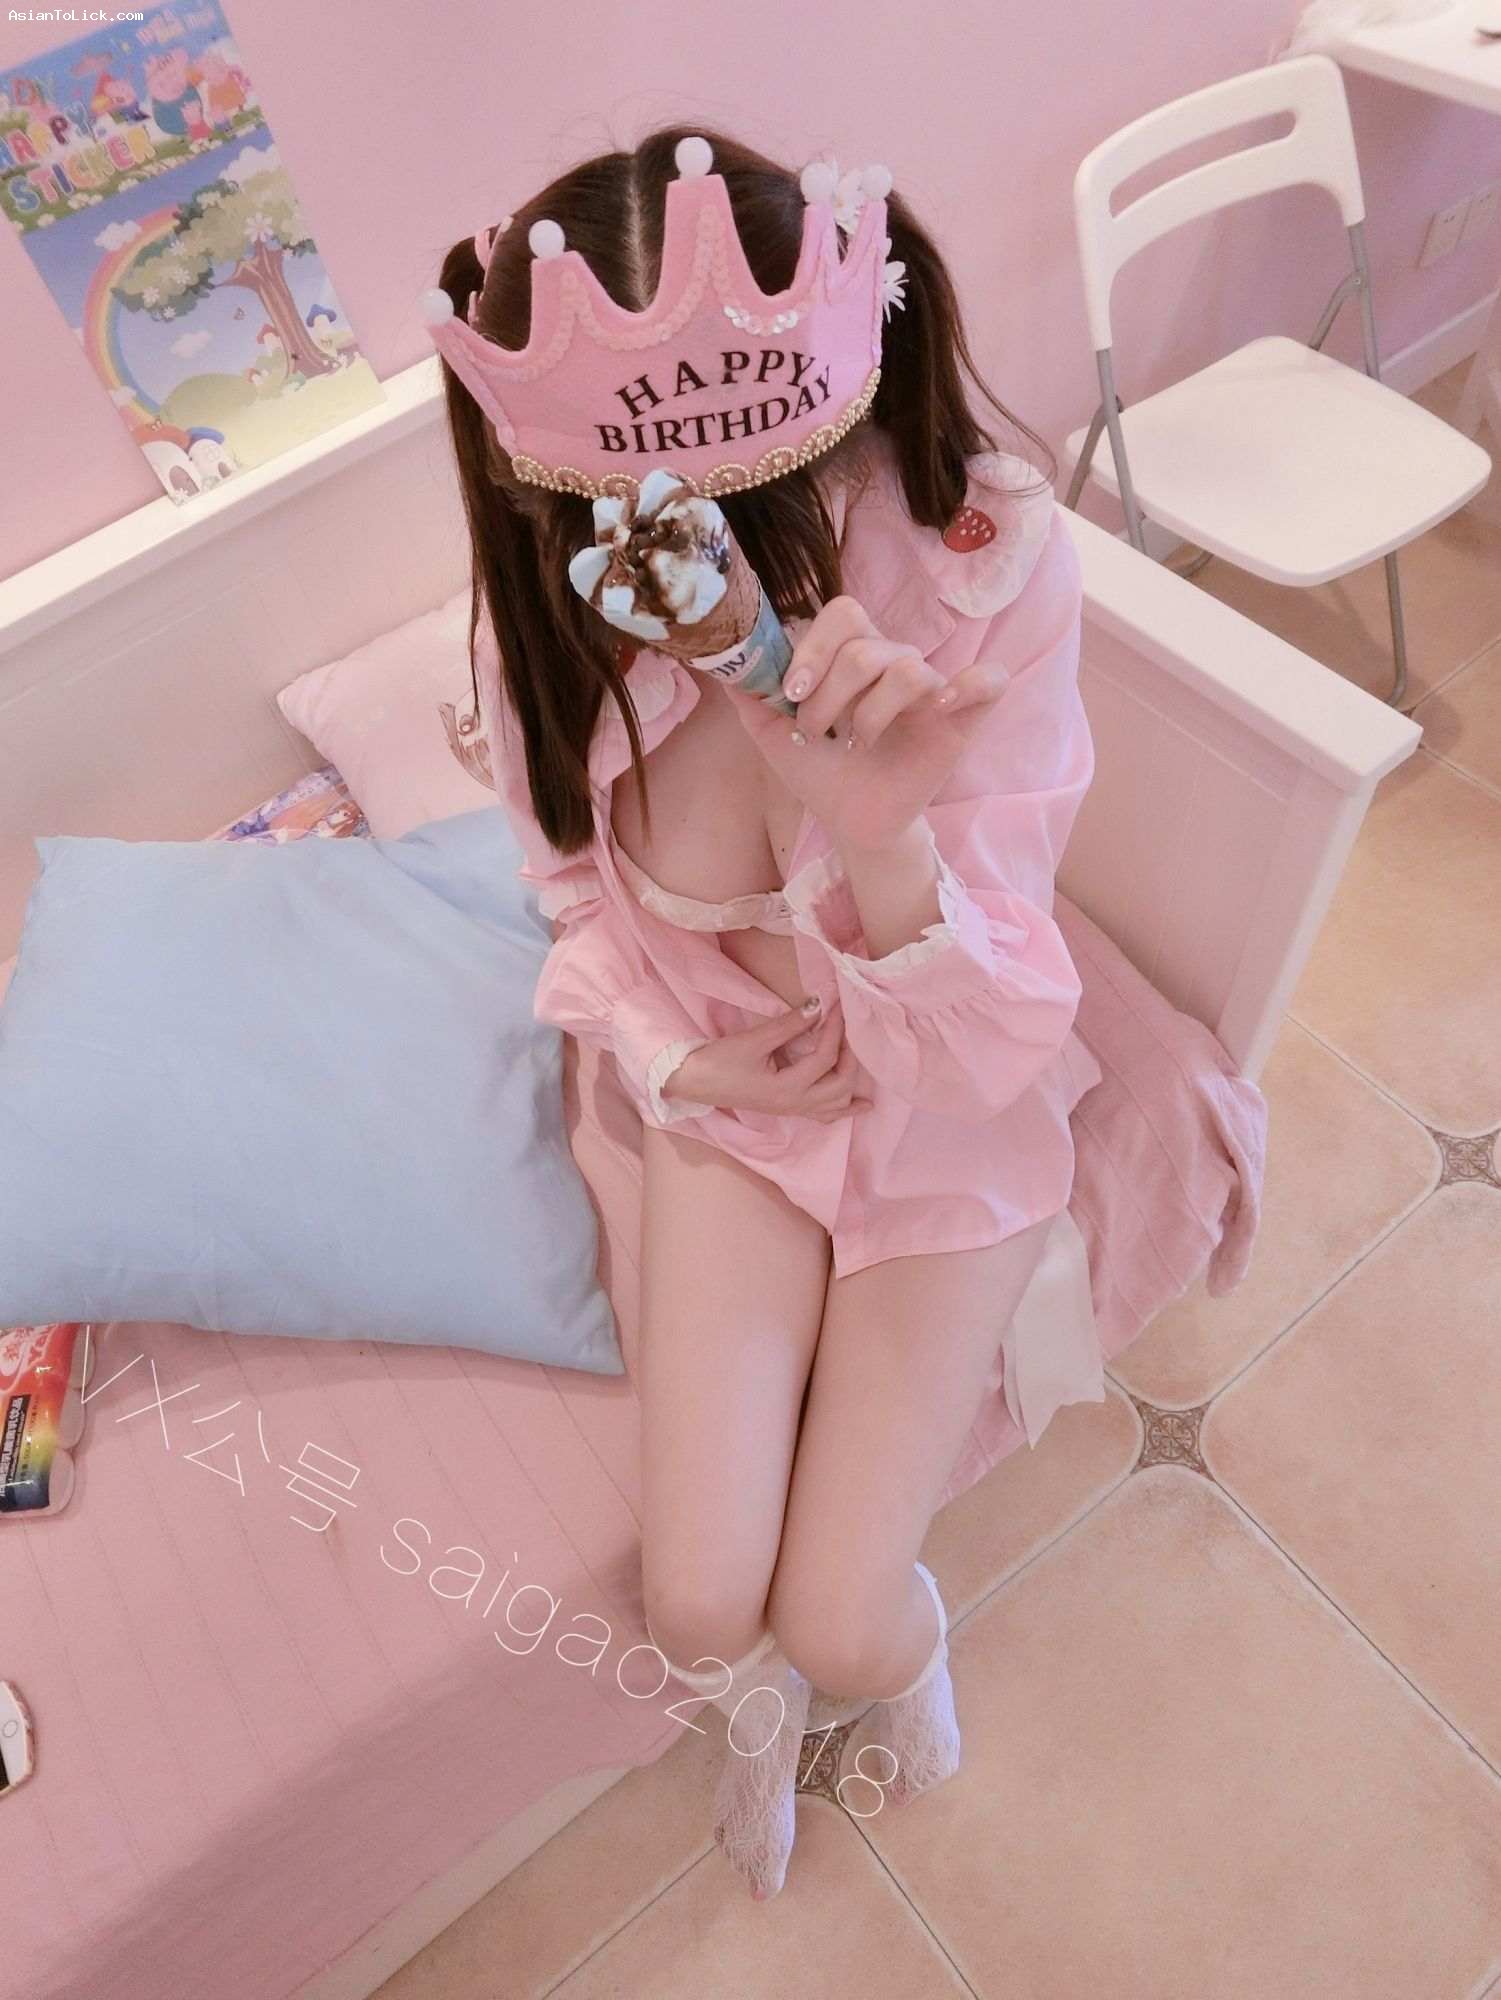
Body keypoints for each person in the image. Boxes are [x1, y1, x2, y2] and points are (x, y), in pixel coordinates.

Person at [424, 125, 1104, 1900]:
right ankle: (754, 1709)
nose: (676, 555)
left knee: (840, 1615)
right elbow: (572, 885)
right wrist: (672, 1058)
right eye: (615, 513)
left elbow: (1000, 1023)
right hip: (739, 1083)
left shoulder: (977, 562)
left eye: (728, 494)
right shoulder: (552, 606)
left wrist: (876, 838)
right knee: (701, 1602)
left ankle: (898, 1653)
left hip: (937, 1094)